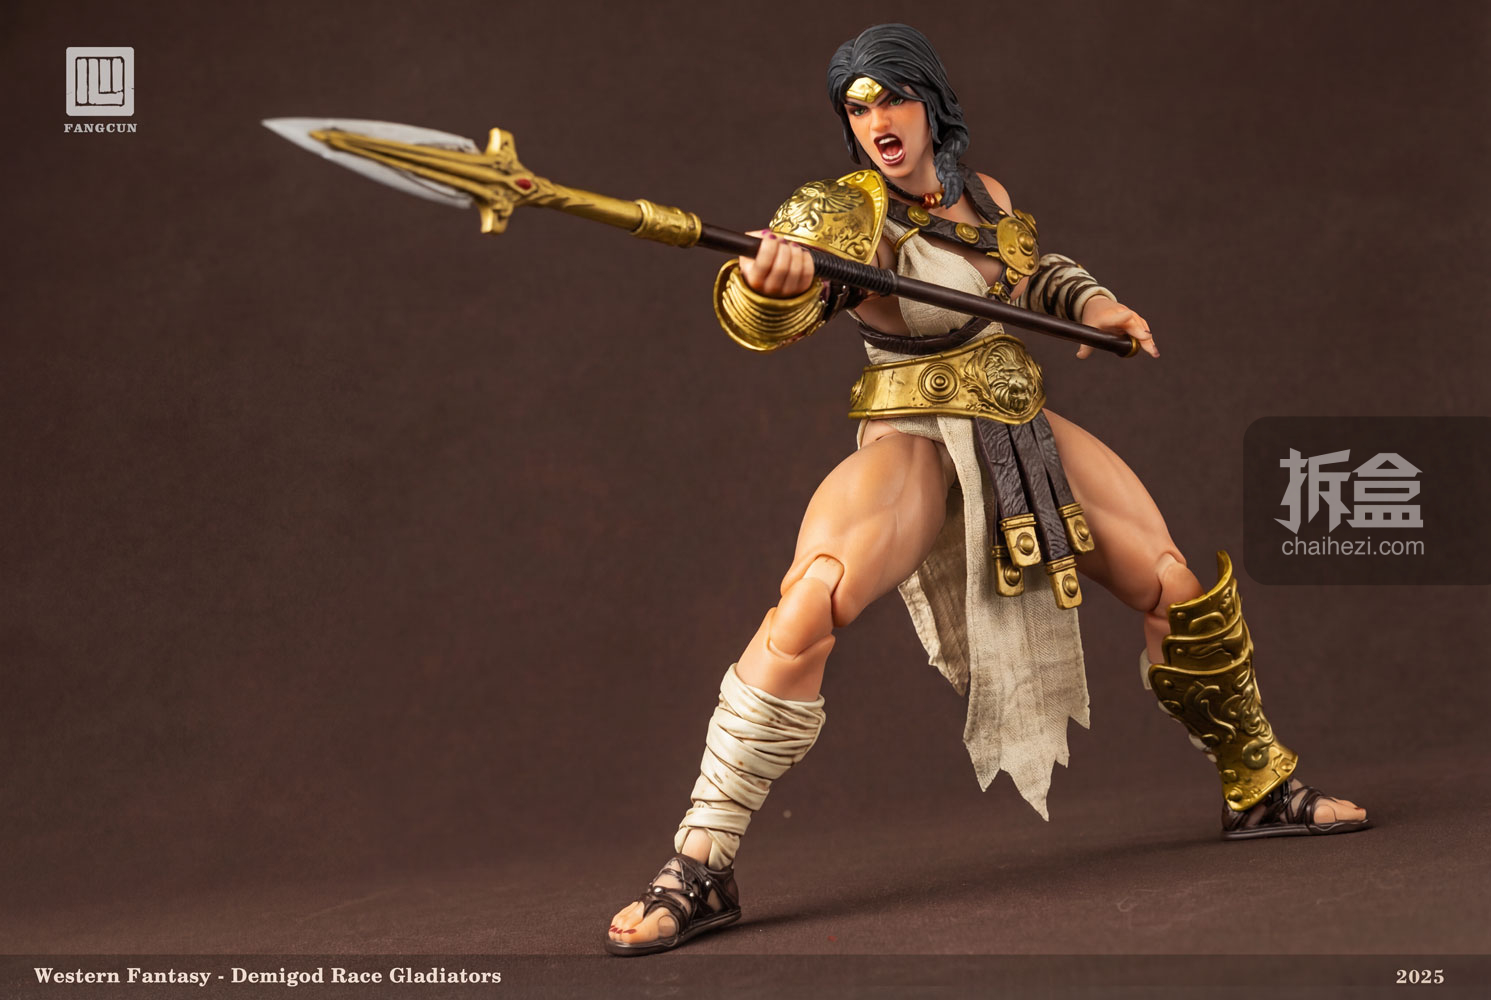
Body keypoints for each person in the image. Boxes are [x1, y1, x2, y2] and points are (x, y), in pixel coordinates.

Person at [604, 23, 1367, 957]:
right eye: (857, 107)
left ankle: (1257, 786)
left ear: (929, 101)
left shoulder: (983, 193)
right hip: (913, 433)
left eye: (891, 97)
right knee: (808, 603)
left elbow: (1030, 271)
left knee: (1172, 582)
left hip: (1016, 420)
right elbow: (772, 317)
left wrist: (1093, 305)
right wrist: (769, 284)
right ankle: (701, 863)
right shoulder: (843, 214)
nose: (877, 121)